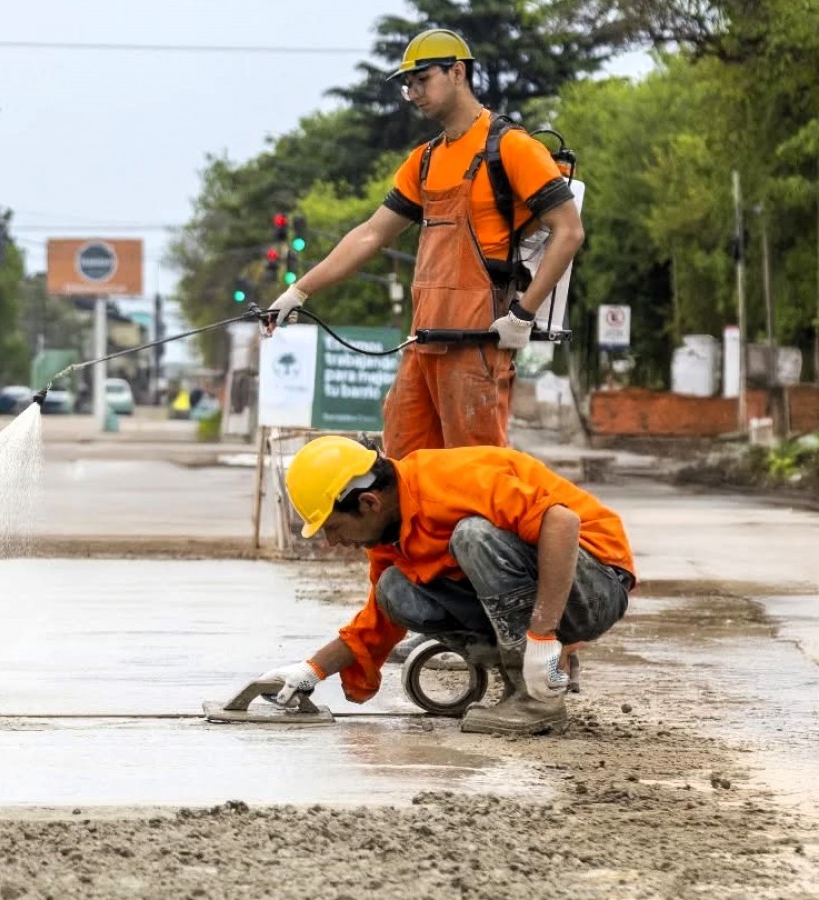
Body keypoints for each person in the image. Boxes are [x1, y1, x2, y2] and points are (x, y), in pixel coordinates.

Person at [263, 28, 584, 463]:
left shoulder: (510, 148)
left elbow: (568, 230)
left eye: (421, 80)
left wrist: (523, 315)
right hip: (424, 342)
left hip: (477, 344)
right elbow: (371, 234)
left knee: (476, 472)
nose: (412, 93)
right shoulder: (425, 160)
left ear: (456, 72)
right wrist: (300, 291)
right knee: (404, 465)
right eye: (406, 85)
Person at [259, 435, 635, 735]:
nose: (334, 543)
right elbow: (375, 623)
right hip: (552, 589)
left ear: (370, 503)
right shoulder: (392, 535)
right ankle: (530, 674)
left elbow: (562, 523)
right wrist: (310, 671)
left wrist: (541, 634)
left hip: (597, 583)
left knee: (473, 537)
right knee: (395, 590)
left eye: (334, 528)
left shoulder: (446, 482)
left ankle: (538, 699)